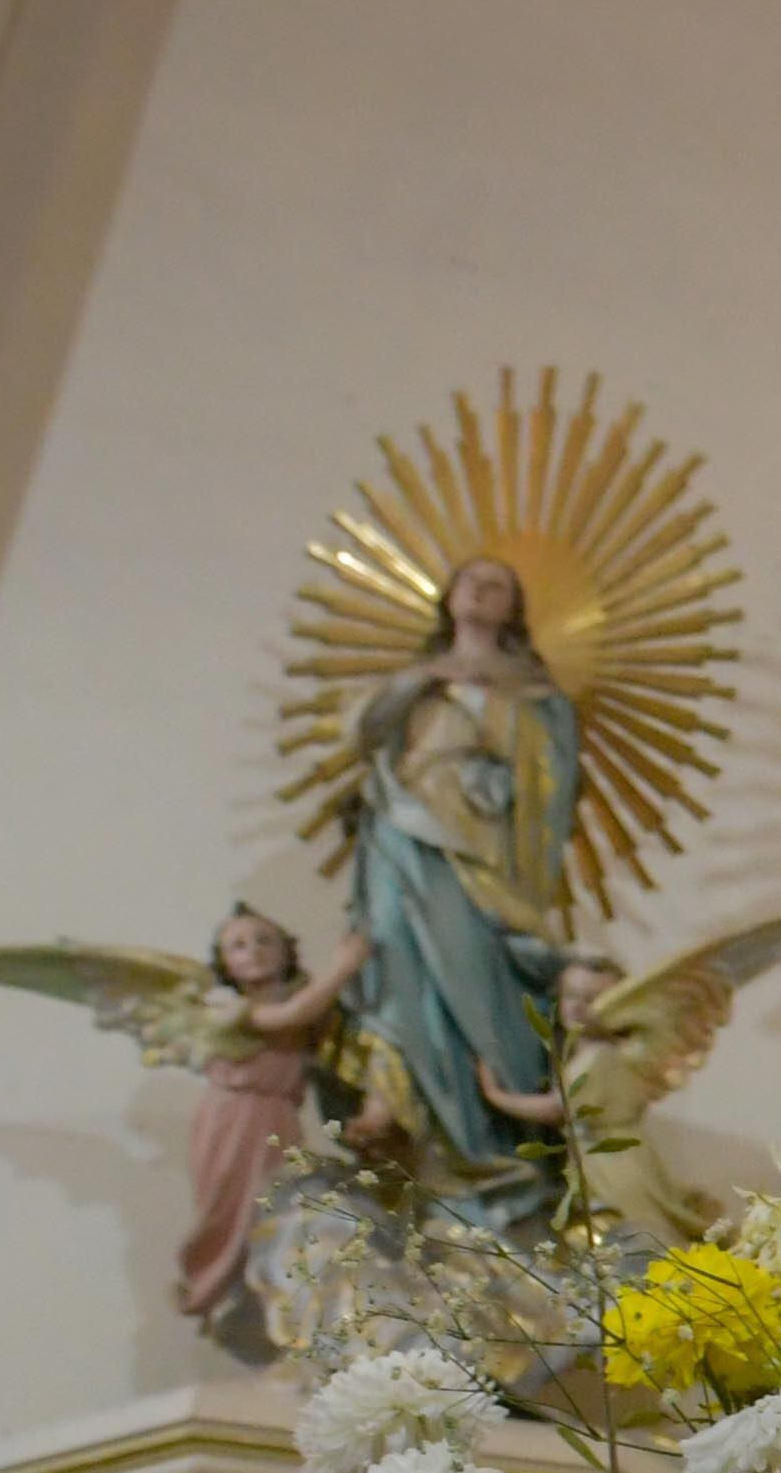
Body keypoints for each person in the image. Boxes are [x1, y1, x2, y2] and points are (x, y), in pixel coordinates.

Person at [337, 552, 580, 1223]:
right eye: (470, 579)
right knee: (392, 957)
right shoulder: (416, 679)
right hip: (400, 834)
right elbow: (358, 733)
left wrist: (481, 697)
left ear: (513, 609)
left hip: (480, 852)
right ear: (448, 597)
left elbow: (549, 775)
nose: (480, 589)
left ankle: (487, 1149)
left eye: (497, 584)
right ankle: (407, 1126)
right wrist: (422, 681)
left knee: (477, 977)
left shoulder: (531, 690)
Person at [175, 904, 367, 1325]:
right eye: (238, 945)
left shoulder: (307, 1001)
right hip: (233, 1116)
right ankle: (221, 1289)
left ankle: (278, 1296)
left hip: (277, 1115)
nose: (253, 950)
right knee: (233, 1209)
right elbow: (291, 1016)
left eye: (264, 940)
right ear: (224, 962)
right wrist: (344, 965)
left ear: (286, 951)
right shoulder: (228, 1006)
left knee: (279, 1207)